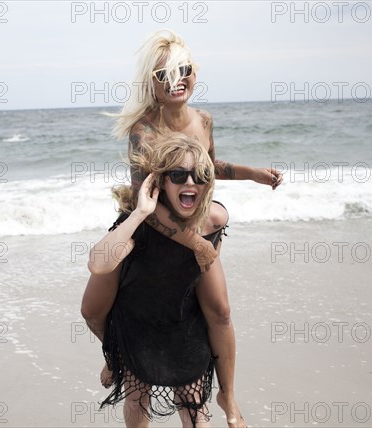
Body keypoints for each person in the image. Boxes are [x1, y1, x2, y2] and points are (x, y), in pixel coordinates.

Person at [81, 29, 283, 428]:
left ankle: (227, 394)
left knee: (221, 312)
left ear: (195, 74)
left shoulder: (204, 119)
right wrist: (194, 242)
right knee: (108, 313)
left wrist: (252, 174)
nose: (176, 80)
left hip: (195, 228)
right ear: (152, 84)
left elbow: (210, 169)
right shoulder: (143, 129)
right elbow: (149, 205)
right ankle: (117, 358)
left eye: (184, 70)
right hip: (150, 233)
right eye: (164, 74)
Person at [88, 133, 224, 427]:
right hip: (136, 321)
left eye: (199, 175)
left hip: (182, 319)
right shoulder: (140, 222)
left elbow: (200, 278)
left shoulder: (214, 220)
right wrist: (139, 213)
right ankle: (113, 357)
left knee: (192, 402)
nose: (190, 182)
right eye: (178, 174)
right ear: (161, 182)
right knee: (137, 395)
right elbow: (98, 265)